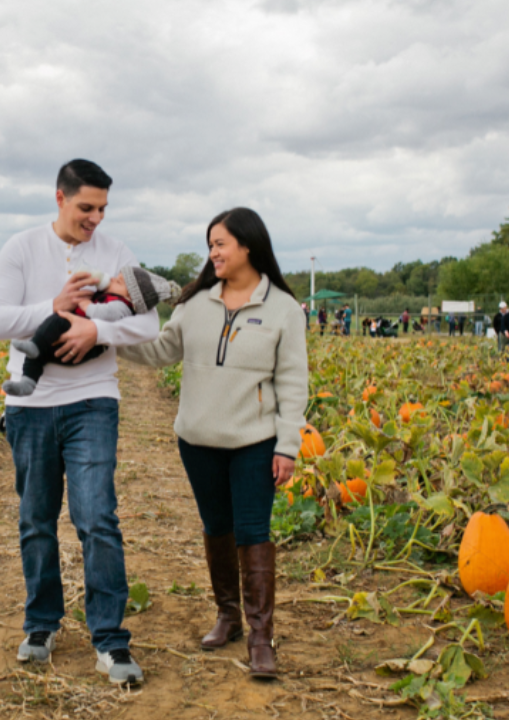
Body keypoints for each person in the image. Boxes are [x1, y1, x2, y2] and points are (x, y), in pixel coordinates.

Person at [0, 159, 157, 686]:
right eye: (86, 207)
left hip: (92, 399)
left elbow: (148, 321)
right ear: (59, 198)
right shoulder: (21, 248)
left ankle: (109, 640)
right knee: (36, 520)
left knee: (97, 516)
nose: (95, 219)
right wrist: (52, 308)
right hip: (30, 407)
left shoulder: (117, 254)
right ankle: (41, 623)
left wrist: (94, 332)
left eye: (103, 208)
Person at [119, 207, 306, 680]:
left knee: (253, 531)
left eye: (220, 243)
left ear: (248, 246)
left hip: (254, 441)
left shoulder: (283, 308)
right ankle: (228, 617)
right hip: (197, 439)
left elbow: (292, 382)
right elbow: (162, 350)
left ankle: (261, 638)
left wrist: (287, 446)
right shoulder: (195, 302)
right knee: (216, 526)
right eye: (211, 245)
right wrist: (108, 337)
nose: (213, 253)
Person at [3, 266, 176, 397]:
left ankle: (34, 346)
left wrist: (86, 305)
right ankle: (28, 382)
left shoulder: (121, 306)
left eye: (118, 282)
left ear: (131, 297)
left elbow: (102, 313)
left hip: (85, 346)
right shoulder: (111, 295)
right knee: (39, 356)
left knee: (54, 322)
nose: (113, 279)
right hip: (74, 337)